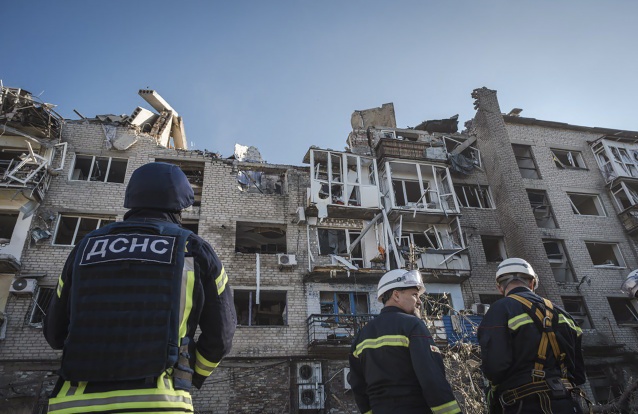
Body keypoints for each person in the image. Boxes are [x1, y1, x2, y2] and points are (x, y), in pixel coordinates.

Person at [44, 162, 236, 414]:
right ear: (180, 207)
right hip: (159, 402)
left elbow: (54, 334)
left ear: (132, 199)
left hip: (72, 403)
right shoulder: (193, 248)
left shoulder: (85, 247)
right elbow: (221, 335)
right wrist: (191, 373)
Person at [477, 258, 586, 414]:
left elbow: (495, 367)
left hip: (524, 404)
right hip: (569, 404)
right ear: (532, 283)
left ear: (500, 287)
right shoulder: (565, 315)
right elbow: (579, 375)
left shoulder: (499, 310)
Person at [348, 268, 461, 414]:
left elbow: (357, 386)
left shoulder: (361, 335)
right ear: (396, 295)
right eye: (414, 295)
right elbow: (431, 377)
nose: (419, 301)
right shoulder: (412, 325)